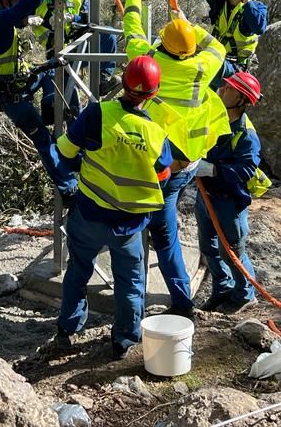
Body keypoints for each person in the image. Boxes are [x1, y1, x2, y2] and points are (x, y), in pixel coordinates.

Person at [53, 56, 175, 359]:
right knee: (131, 284)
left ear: (122, 83)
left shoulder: (97, 114)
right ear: (154, 93)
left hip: (89, 215)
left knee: (77, 271)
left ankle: (67, 330)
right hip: (129, 226)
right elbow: (163, 176)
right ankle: (124, 341)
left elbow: (65, 152)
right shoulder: (156, 134)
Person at [123, 0, 229, 317]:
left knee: (157, 237)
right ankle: (180, 302)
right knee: (163, 234)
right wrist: (189, 26)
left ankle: (175, 305)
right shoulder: (203, 65)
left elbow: (132, 31)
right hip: (190, 163)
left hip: (159, 168)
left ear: (165, 46)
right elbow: (217, 46)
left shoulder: (151, 60)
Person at [0, 0, 76, 197]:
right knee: (44, 141)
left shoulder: (5, 24)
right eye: (18, 3)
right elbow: (20, 10)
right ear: (5, 3)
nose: (26, 11)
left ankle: (54, 107)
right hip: (12, 99)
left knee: (51, 71)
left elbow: (22, 11)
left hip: (19, 85)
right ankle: (69, 190)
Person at [196, 71, 268, 313]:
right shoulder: (214, 117)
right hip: (205, 196)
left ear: (241, 100)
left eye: (229, 89)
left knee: (233, 253)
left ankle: (244, 295)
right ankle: (222, 288)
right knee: (208, 247)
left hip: (228, 203)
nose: (222, 90)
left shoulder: (246, 135)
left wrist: (213, 170)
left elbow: (246, 169)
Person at [170, 0, 268, 88]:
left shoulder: (255, 8)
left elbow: (259, 27)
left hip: (234, 70)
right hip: (214, 59)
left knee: (196, 64)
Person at [31, 0, 119, 122]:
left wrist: (74, 19)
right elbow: (21, 16)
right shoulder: (40, 4)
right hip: (58, 56)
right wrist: (42, 22)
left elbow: (92, 21)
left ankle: (103, 79)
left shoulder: (78, 0)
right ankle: (71, 137)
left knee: (108, 33)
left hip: (78, 48)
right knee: (70, 107)